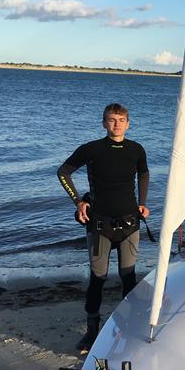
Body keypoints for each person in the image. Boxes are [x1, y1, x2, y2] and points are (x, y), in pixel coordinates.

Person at [57, 103, 150, 353]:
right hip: (99, 225)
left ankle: (129, 325)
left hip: (130, 223)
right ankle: (91, 333)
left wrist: (143, 203)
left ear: (128, 123)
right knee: (97, 278)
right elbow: (63, 172)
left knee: (128, 276)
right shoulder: (92, 149)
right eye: (111, 120)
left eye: (121, 120)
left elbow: (143, 174)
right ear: (103, 123)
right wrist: (78, 201)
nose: (116, 124)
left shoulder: (136, 149)